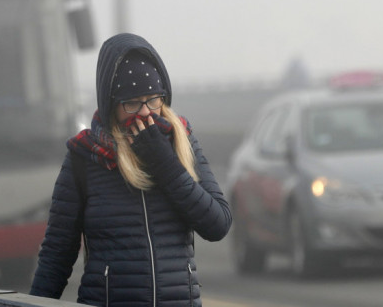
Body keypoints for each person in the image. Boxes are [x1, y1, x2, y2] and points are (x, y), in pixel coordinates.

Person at [30, 33, 232, 307]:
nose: (146, 113)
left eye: (153, 100)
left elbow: (217, 224)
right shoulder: (85, 156)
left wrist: (164, 162)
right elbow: (57, 253)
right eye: (133, 103)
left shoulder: (181, 140)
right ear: (111, 104)